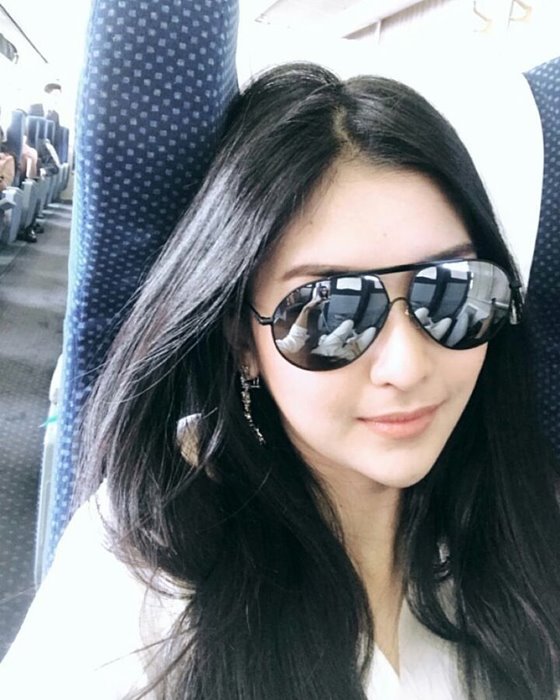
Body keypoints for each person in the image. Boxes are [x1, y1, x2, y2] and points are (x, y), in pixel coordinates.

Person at [1, 63, 560, 700]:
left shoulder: (523, 506)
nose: (407, 366)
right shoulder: (152, 553)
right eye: (329, 313)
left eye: (453, 293)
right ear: (244, 340)